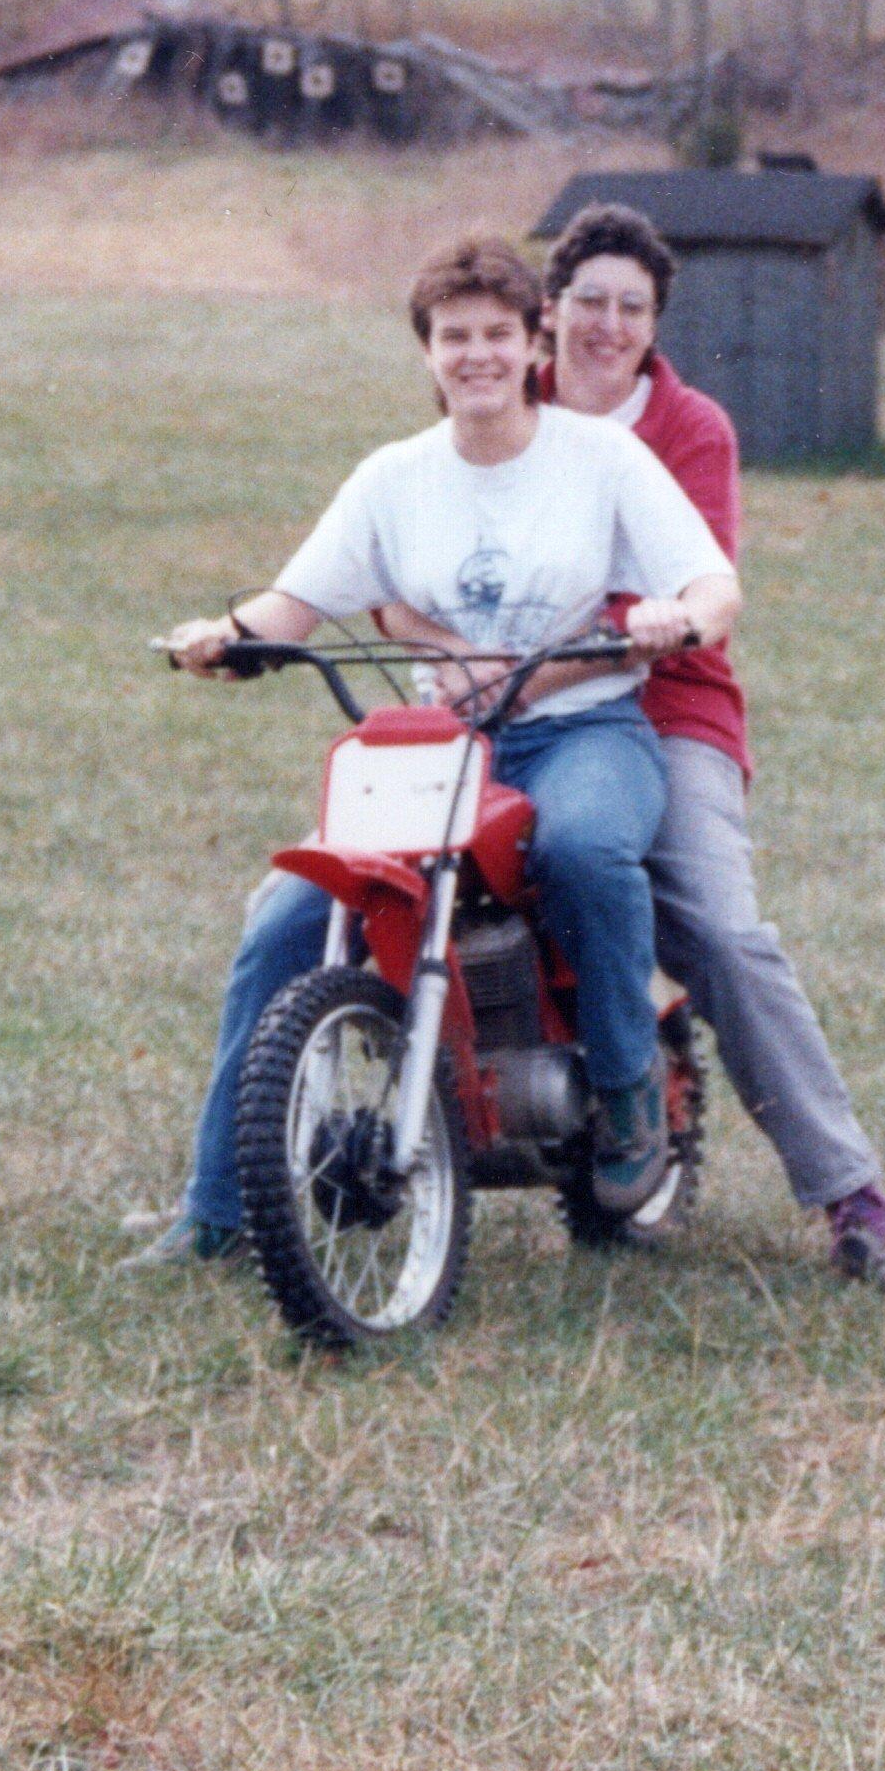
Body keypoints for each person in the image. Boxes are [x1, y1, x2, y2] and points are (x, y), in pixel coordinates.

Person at [134, 233, 737, 1264]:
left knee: (587, 850)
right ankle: (218, 1205)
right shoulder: (393, 476)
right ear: (426, 351)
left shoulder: (603, 458)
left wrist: (677, 617)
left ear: (531, 337)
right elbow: (297, 601)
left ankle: (631, 1091)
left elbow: (713, 584)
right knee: (287, 917)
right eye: (454, 337)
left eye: (498, 334)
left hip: (584, 730)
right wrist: (224, 639)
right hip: (439, 748)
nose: (478, 356)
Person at [532, 204, 885, 1287]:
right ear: (551, 308)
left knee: (718, 929)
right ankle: (243, 1181)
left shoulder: (690, 428)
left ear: (656, 323)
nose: (607, 325)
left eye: (631, 307)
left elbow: (691, 592)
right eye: (589, 303)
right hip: (512, 707)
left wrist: (560, 641)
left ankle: (855, 1198)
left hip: (666, 709)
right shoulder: (503, 405)